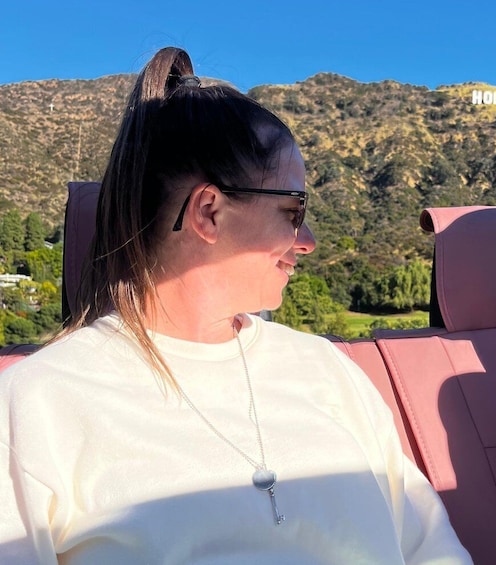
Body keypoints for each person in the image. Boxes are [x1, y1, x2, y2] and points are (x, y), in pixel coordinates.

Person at [0, 47, 471, 564]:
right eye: (293, 210)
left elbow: (432, 550)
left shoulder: (329, 371)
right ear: (209, 211)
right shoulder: (36, 405)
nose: (309, 239)